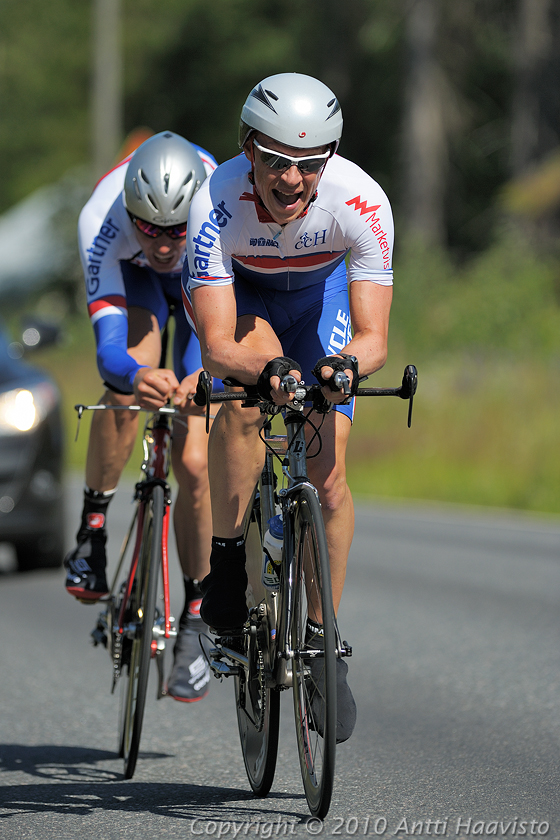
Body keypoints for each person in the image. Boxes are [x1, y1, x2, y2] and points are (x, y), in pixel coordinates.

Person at [182, 73, 394, 742]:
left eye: (308, 164)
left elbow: (373, 337)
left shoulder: (362, 201)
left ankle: (322, 639)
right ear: (248, 148)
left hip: (319, 304)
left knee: (327, 479)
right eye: (275, 160)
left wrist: (344, 367)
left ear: (328, 160)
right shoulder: (214, 200)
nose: (291, 179)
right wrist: (269, 371)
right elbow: (216, 345)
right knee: (246, 398)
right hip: (246, 308)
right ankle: (223, 565)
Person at [64, 130, 219, 703]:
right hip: (136, 291)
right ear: (129, 210)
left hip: (201, 284)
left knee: (196, 462)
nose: (162, 243)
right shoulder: (99, 218)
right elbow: (109, 352)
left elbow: (216, 339)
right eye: (149, 228)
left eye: (174, 230)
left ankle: (198, 615)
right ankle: (92, 532)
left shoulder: (217, 211)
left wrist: (202, 379)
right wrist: (135, 377)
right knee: (128, 389)